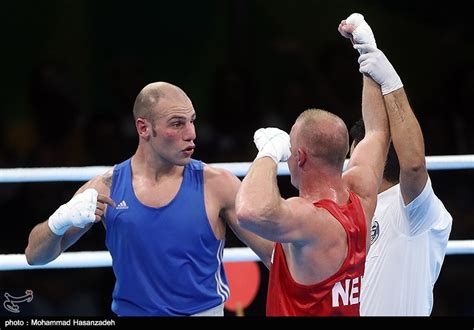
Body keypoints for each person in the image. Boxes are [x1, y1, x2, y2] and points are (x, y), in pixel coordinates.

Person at [24, 81, 267, 316]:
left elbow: (275, 255)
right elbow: (35, 256)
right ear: (143, 128)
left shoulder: (217, 184)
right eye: (177, 124)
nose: (192, 133)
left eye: (192, 120)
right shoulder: (106, 187)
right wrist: (58, 222)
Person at [234, 69, 390, 314]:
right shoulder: (362, 195)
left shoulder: (308, 217)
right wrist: (368, 57)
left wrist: (268, 153)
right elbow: (377, 132)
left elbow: (248, 211)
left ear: (299, 156)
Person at [339, 13, 453, 316]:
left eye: (352, 155)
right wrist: (366, 53)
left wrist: (389, 79)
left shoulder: (413, 213)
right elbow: (377, 130)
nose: (348, 165)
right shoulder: (355, 209)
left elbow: (413, 164)